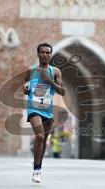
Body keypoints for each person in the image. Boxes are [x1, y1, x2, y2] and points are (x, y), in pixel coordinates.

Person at [23, 43, 65, 183]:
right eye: (42, 52)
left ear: (50, 55)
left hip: (47, 109)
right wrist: (25, 88)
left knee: (45, 139)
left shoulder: (55, 71)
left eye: (48, 53)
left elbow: (62, 92)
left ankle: (39, 168)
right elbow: (25, 86)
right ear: (38, 54)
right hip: (33, 107)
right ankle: (36, 169)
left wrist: (51, 82)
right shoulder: (31, 70)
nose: (45, 55)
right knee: (39, 136)